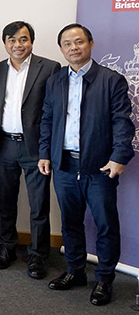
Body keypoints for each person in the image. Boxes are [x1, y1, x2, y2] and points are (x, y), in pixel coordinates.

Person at [39, 24, 134, 306]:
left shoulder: (110, 80)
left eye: (79, 41)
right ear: (61, 49)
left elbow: (122, 122)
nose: (73, 47)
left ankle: (104, 279)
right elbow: (47, 120)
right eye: (67, 43)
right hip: (64, 164)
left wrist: (119, 157)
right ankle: (75, 271)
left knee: (105, 225)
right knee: (70, 222)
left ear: (90, 43)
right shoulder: (55, 81)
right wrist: (45, 153)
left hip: (100, 166)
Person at [0, 21, 61, 278]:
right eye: (12, 40)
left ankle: (38, 256)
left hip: (36, 149)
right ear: (5, 43)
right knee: (5, 203)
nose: (18, 45)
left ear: (31, 41)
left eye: (23, 39)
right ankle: (5, 247)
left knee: (39, 205)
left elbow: (53, 110)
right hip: (4, 144)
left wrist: (46, 150)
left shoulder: (50, 68)